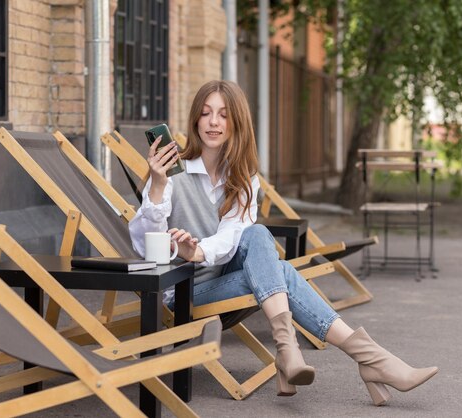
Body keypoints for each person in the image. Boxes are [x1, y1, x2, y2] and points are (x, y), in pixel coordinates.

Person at [129, 80, 438, 405]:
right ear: (195, 120)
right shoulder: (170, 174)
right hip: (182, 291)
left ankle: (301, 352)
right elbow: (142, 244)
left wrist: (200, 250)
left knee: (258, 235)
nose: (213, 122)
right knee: (280, 272)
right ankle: (365, 360)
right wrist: (158, 187)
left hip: (225, 278)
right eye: (205, 114)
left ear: (237, 122)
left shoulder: (244, 178)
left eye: (223, 114)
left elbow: (233, 237)